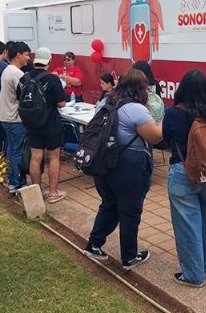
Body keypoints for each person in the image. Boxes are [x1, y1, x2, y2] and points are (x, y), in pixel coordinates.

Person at [84, 69, 163, 271]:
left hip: (103, 164)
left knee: (109, 205)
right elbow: (154, 137)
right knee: (130, 212)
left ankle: (94, 244)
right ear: (142, 88)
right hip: (127, 168)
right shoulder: (136, 109)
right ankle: (129, 257)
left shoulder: (106, 102)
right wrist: (162, 121)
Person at [162, 69, 206, 288]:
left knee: (188, 224)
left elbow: (166, 139)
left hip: (182, 171)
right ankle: (203, 263)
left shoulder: (173, 113)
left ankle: (194, 275)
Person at [22, 47, 68, 203]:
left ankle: (36, 191)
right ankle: (53, 193)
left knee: (36, 157)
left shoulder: (24, 78)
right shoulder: (53, 79)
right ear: (49, 61)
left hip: (32, 123)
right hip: (50, 123)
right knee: (54, 156)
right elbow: (61, 103)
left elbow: (19, 99)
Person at [0, 41, 31, 193]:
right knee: (17, 151)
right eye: (26, 54)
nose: (28, 58)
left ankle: (13, 180)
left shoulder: (7, 70)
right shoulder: (17, 73)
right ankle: (17, 183)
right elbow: (25, 97)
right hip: (15, 118)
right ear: (18, 55)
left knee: (11, 150)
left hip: (5, 116)